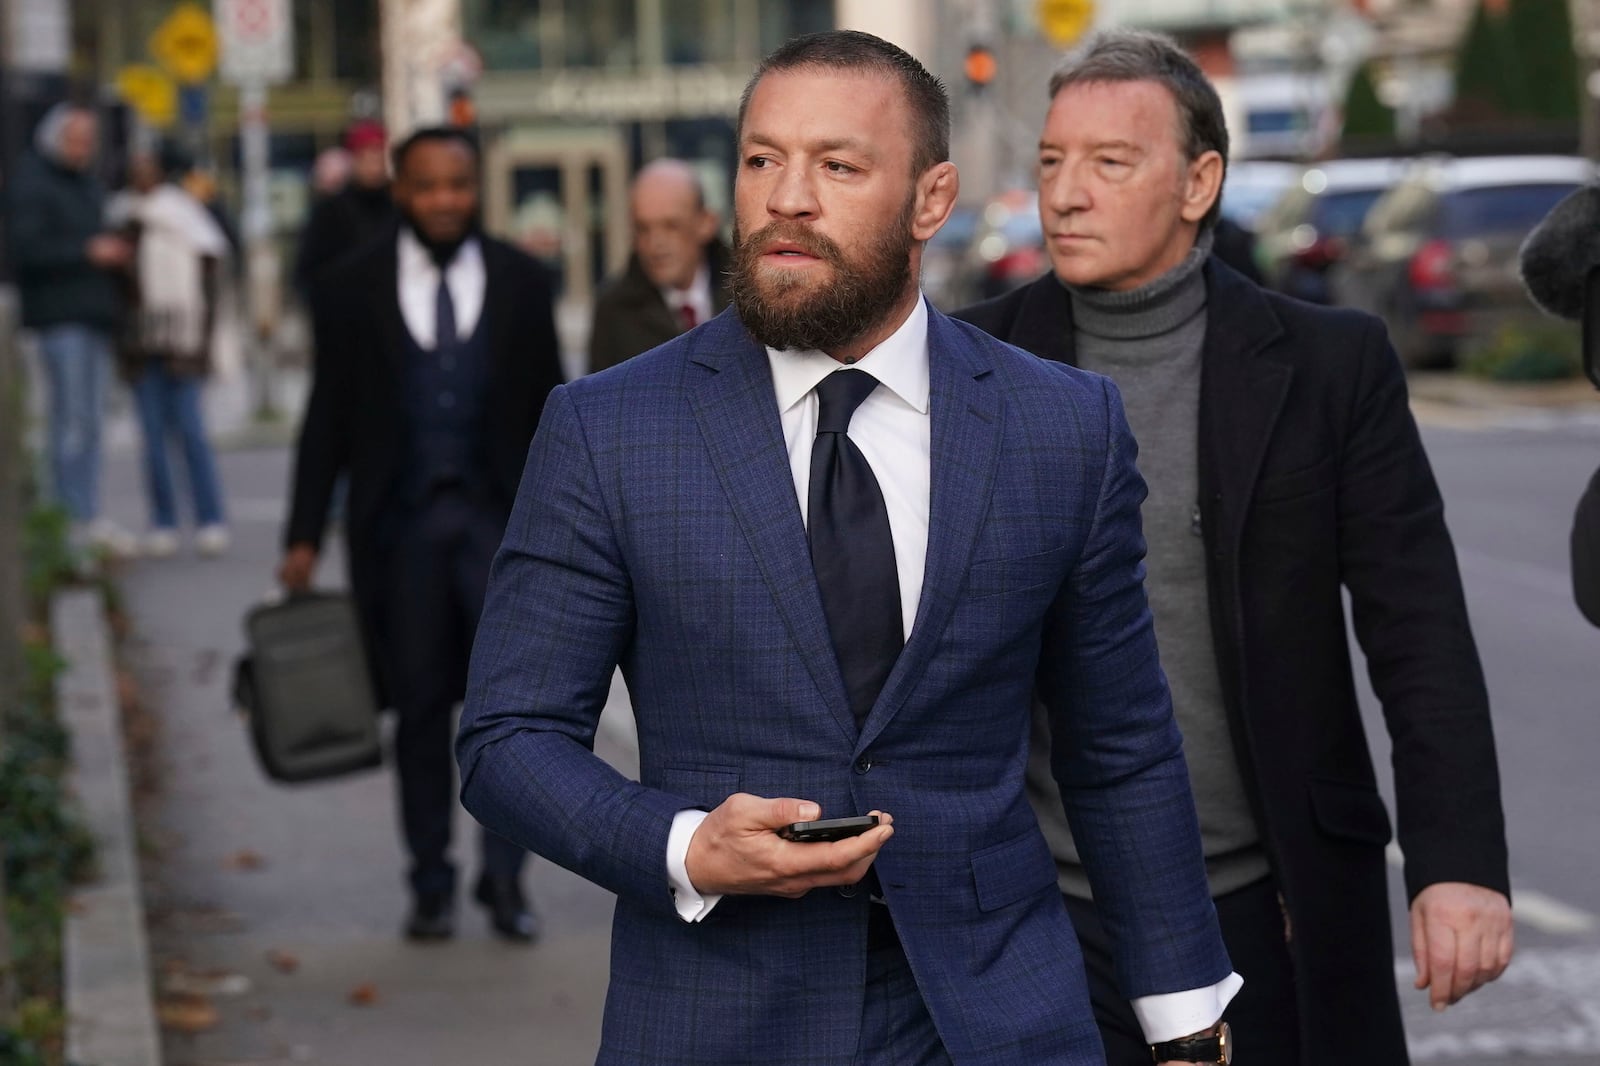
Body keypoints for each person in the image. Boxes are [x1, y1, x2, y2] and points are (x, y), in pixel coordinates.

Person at [459, 30, 1237, 1066]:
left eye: (835, 165)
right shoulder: (609, 430)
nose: (785, 197)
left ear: (930, 198)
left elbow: (1121, 745)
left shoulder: (1063, 427)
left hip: (998, 1018)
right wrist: (686, 845)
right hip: (716, 1018)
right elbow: (508, 738)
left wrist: (1185, 1021)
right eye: (760, 159)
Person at [955, 30, 1512, 1065]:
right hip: (1037, 916)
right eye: (1049, 161)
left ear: (1198, 181)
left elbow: (1417, 629)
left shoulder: (1327, 365)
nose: (1065, 193)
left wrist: (1457, 862)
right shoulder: (967, 365)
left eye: (1108, 162)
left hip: (1268, 903)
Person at [279, 127, 564, 943]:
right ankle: (430, 880)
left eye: (459, 186)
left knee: (511, 716)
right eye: (428, 187)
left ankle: (506, 882)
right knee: (418, 710)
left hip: (500, 531)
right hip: (398, 534)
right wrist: (303, 533)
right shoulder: (348, 288)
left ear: (478, 190)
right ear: (400, 192)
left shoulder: (521, 281)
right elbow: (326, 419)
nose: (445, 201)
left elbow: (554, 412)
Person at [4, 103, 137, 557]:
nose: (85, 148)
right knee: (71, 423)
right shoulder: (33, 182)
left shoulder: (86, 183)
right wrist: (86, 251)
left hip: (94, 314)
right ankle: (66, 519)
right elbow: (27, 250)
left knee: (92, 422)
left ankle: (85, 513)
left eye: (89, 140)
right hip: (59, 317)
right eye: (77, 139)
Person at [108, 145, 233, 557]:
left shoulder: (184, 214)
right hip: (141, 344)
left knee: (193, 433)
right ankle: (163, 520)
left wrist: (204, 339)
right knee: (153, 438)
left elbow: (211, 278)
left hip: (184, 340)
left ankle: (209, 517)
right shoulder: (120, 217)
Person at [586, 157, 732, 372]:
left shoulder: (750, 290)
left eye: (671, 226)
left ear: (706, 223)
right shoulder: (614, 310)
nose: (656, 244)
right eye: (643, 229)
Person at [293, 120, 394, 298]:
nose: (374, 166)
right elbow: (310, 272)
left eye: (378, 157)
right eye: (366, 157)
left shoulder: (399, 205)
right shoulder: (330, 211)